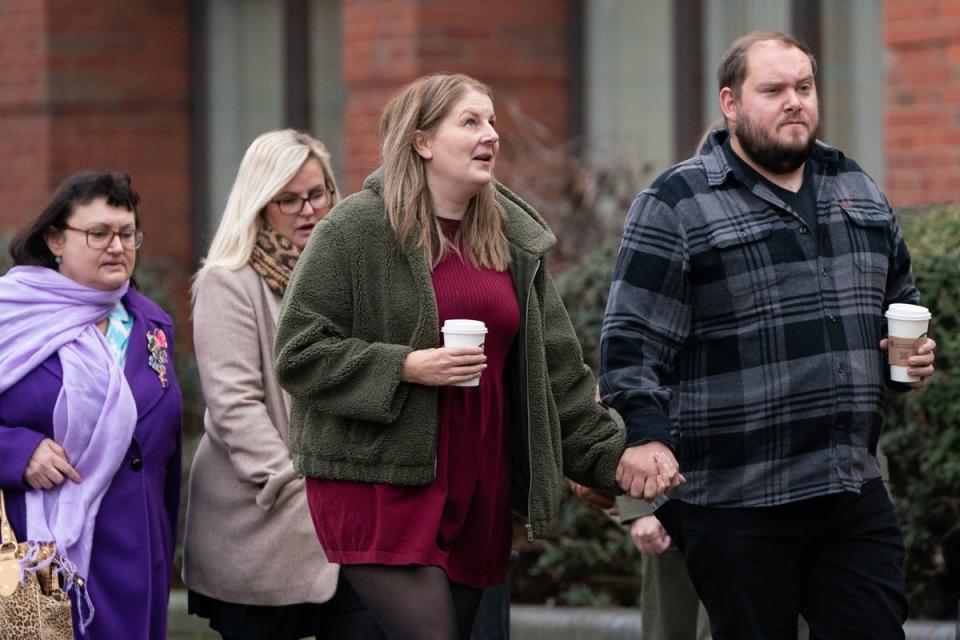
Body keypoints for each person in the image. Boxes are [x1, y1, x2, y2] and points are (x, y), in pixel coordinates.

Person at [274, 73, 675, 640]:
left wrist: (622, 462)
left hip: (477, 483)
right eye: (470, 122)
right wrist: (406, 367)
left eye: (491, 122)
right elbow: (298, 351)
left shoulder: (511, 240)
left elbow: (559, 380)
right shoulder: (356, 228)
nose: (490, 134)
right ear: (422, 141)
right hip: (381, 483)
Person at [599, 31, 936, 639]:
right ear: (730, 103)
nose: (794, 102)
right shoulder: (676, 201)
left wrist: (909, 360)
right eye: (774, 89)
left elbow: (901, 301)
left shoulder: (855, 186)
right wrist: (644, 438)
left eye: (804, 88)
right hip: (735, 500)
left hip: (847, 486)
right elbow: (631, 345)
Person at [182, 129, 384, 640]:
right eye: (287, 200)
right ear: (259, 205)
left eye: (317, 194)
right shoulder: (229, 282)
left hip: (353, 518)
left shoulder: (353, 275)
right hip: (262, 521)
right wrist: (296, 486)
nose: (307, 210)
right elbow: (234, 407)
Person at [0, 171, 183, 639]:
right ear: (55, 240)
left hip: (136, 554)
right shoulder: (11, 314)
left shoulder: (151, 324)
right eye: (99, 233)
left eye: (127, 233)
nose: (117, 246)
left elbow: (163, 453)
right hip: (36, 559)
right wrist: (17, 453)